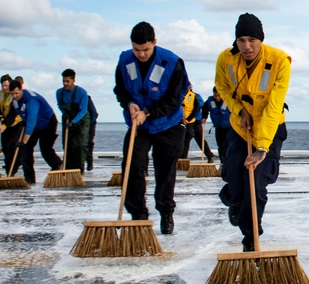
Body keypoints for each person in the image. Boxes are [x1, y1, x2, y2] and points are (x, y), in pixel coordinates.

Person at [214, 13, 290, 252]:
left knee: (256, 182)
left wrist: (262, 148)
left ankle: (251, 236)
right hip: (241, 126)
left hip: (270, 128)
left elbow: (273, 106)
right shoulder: (225, 59)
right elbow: (223, 87)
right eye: (242, 40)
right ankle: (234, 201)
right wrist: (238, 110)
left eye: (252, 40)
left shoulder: (279, 60)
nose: (247, 46)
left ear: (261, 40)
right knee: (235, 179)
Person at [114, 21, 188, 234]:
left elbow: (174, 99)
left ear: (154, 43)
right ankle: (139, 215)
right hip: (138, 125)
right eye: (137, 50)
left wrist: (148, 112)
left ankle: (166, 212)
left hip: (168, 124)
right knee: (132, 165)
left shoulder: (172, 62)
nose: (141, 54)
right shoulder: (124, 59)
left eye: (146, 49)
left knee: (165, 170)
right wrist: (129, 104)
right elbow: (120, 89)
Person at [9, 79, 63, 184]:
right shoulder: (14, 101)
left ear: (21, 90)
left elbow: (31, 122)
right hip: (34, 125)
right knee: (25, 150)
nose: (14, 96)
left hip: (47, 123)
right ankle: (29, 179)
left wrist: (23, 141)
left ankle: (57, 165)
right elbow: (20, 113)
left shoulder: (32, 100)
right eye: (12, 94)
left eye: (16, 93)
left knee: (45, 149)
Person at [56, 68, 91, 173]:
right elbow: (60, 105)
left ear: (73, 80)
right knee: (67, 144)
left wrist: (73, 122)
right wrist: (65, 114)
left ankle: (79, 169)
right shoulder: (59, 92)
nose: (65, 84)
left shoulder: (82, 92)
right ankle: (68, 170)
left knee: (80, 145)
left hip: (81, 119)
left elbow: (83, 110)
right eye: (64, 81)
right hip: (68, 118)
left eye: (68, 81)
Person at [0, 74, 24, 176]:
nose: (4, 88)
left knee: (12, 147)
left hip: (16, 124)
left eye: (6, 85)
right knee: (5, 149)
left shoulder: (14, 95)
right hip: (5, 124)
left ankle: (13, 170)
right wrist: (0, 117)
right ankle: (8, 172)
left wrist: (4, 125)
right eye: (3, 86)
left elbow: (13, 113)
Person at [181, 85, 215, 163]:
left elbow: (201, 105)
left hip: (196, 120)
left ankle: (209, 155)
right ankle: (183, 158)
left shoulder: (195, 96)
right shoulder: (181, 95)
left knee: (200, 139)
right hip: (187, 121)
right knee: (186, 139)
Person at [206, 88, 231, 164]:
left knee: (227, 144)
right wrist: (204, 117)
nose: (217, 97)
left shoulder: (228, 100)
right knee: (220, 145)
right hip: (218, 126)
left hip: (229, 126)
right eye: (215, 95)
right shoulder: (210, 101)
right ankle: (222, 162)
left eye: (218, 95)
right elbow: (204, 108)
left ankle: (227, 161)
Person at [85, 95, 98, 171]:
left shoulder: (86, 98)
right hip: (78, 123)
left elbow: (94, 114)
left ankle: (90, 163)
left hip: (90, 123)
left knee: (89, 142)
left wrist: (89, 125)